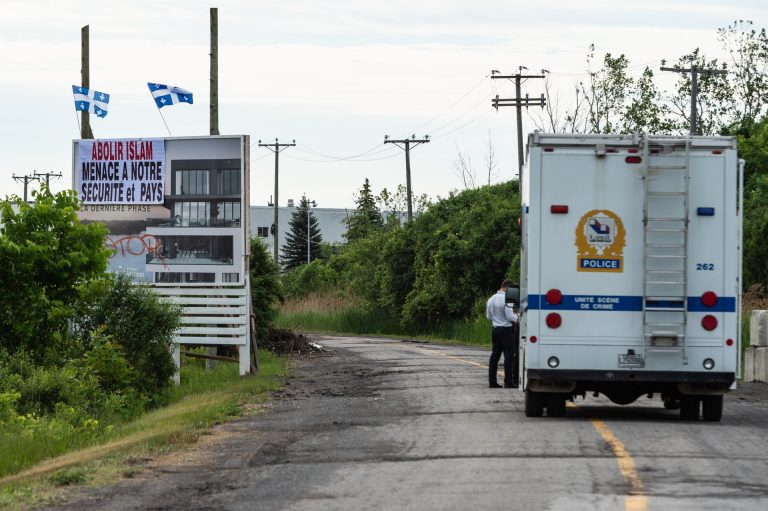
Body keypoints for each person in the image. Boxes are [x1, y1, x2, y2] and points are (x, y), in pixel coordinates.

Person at [486, 278, 519, 388]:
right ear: (508, 288)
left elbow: (488, 316)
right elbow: (510, 317)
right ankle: (508, 382)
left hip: (495, 329)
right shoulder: (507, 299)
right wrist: (518, 317)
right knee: (509, 356)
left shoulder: (491, 299)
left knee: (495, 356)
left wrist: (497, 319)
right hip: (506, 330)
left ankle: (492, 381)